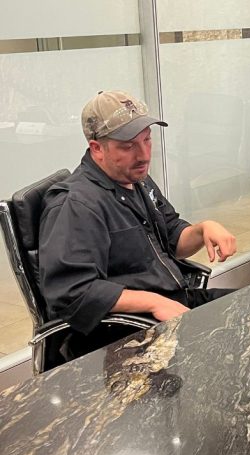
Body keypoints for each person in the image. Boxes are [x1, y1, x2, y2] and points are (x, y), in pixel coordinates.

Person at [39, 90, 237, 337]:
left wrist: (203, 229)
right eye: (128, 145)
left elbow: (172, 239)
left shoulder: (135, 177)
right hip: (132, 328)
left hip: (175, 300)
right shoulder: (76, 205)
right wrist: (155, 302)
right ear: (97, 148)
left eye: (147, 140)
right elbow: (72, 292)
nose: (144, 155)